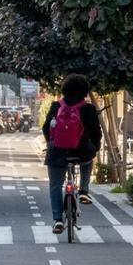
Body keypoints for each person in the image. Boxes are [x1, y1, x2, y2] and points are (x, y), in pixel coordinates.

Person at [43, 74, 103, 234]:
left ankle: (57, 220)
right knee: (88, 161)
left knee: (55, 185)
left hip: (57, 153)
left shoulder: (56, 106)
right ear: (85, 91)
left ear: (65, 89)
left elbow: (45, 128)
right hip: (81, 152)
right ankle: (83, 191)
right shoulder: (88, 109)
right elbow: (96, 132)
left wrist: (50, 143)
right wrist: (95, 148)